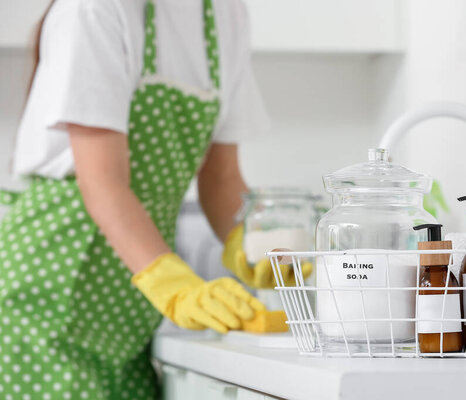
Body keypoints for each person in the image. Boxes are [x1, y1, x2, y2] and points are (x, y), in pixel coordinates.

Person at [0, 0, 273, 398]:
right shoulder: (95, 9)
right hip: (44, 303)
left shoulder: (225, 14)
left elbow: (221, 176)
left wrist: (247, 245)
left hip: (130, 310)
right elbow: (103, 183)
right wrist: (176, 286)